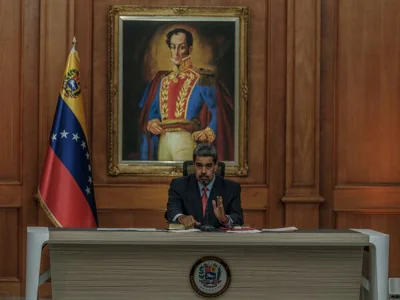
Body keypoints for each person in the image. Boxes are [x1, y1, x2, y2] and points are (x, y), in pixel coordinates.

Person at [138, 28, 234, 161]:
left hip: (185, 139)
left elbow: (218, 111)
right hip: (163, 140)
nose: (176, 53)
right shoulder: (162, 80)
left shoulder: (202, 79)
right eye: (173, 47)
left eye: (181, 47)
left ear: (190, 49)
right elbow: (153, 113)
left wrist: (208, 131)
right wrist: (152, 122)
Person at [166, 143, 243, 229]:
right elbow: (171, 211)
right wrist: (182, 218)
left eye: (208, 166)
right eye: (199, 165)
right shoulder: (178, 185)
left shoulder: (231, 188)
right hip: (188, 240)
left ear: (215, 166)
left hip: (219, 240)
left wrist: (224, 219)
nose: (203, 171)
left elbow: (238, 218)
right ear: (194, 165)